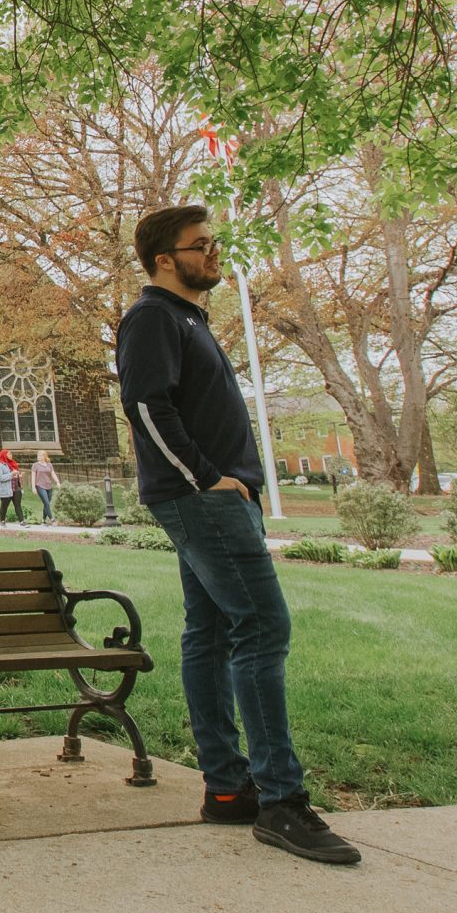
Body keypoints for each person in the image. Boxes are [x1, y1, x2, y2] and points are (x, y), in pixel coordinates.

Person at [117, 204, 360, 866]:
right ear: (165, 259)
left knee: (213, 631)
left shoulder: (188, 318)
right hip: (203, 498)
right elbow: (145, 405)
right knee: (262, 627)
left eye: (213, 243)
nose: (214, 253)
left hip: (215, 496)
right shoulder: (152, 317)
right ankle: (282, 800)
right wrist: (205, 477)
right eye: (201, 245)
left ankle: (227, 788)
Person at [0, 448, 22, 522]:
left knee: (18, 505)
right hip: (6, 490)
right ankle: (2, 520)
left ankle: (22, 521)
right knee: (4, 506)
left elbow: (15, 476)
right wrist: (11, 474)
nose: (11, 455)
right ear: (4, 455)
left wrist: (19, 475)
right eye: (9, 454)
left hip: (16, 488)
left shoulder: (13, 464)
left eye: (11, 453)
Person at [32, 452, 57, 523]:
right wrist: (33, 487)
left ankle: (43, 519)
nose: (38, 456)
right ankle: (51, 518)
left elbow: (53, 474)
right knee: (46, 502)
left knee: (47, 503)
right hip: (39, 486)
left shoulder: (49, 465)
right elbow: (33, 477)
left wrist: (57, 482)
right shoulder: (35, 465)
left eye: (40, 455)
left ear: (44, 456)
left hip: (49, 486)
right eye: (38, 455)